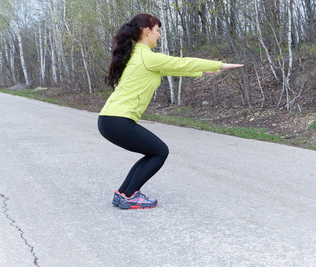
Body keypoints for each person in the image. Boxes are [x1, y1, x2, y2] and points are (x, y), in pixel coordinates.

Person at [98, 13, 243, 210]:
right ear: (147, 31)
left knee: (152, 152)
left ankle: (124, 193)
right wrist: (219, 65)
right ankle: (130, 195)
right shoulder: (147, 58)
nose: (159, 35)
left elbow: (177, 68)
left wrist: (206, 70)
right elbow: (180, 63)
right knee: (159, 151)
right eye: (157, 31)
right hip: (118, 120)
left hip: (109, 119)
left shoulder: (137, 56)